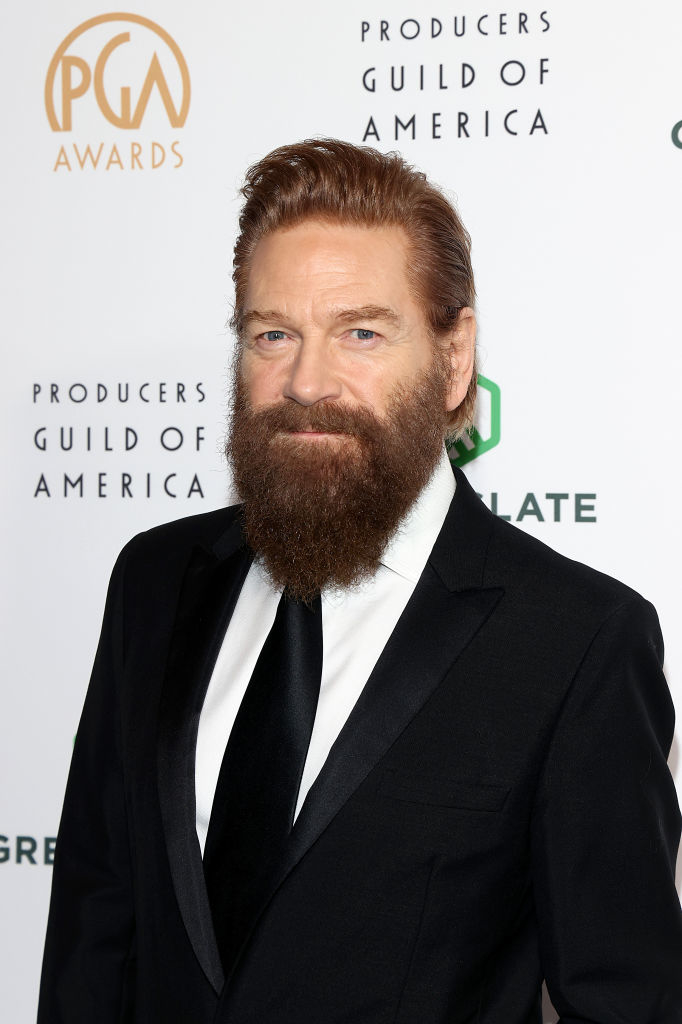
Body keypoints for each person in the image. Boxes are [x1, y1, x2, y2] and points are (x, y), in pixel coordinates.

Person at [38, 139, 682, 1023]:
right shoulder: (155, 581)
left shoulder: (577, 641)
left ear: (454, 361)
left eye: (362, 333)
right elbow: (94, 933)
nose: (306, 381)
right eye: (273, 334)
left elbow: (626, 1004)